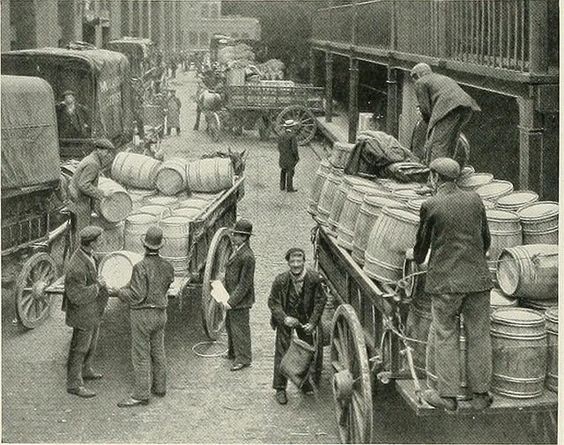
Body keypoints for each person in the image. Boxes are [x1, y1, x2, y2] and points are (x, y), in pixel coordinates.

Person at [409, 157, 493, 412]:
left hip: (446, 284)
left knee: (446, 334)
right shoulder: (475, 199)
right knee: (479, 334)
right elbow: (486, 240)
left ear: (434, 177)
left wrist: (417, 256)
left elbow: (421, 249)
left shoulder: (431, 204)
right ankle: (480, 396)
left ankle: (447, 396)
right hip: (478, 281)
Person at [112, 226, 175, 408]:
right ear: (160, 246)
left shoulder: (140, 267)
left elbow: (137, 295)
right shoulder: (168, 266)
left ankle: (141, 395)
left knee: (140, 354)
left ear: (145, 245)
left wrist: (119, 292)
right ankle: (160, 387)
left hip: (142, 315)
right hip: (161, 313)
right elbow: (167, 284)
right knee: (158, 350)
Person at [267, 248, 327, 405]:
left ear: (303, 262)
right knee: (282, 351)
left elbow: (321, 300)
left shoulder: (313, 279)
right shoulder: (280, 280)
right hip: (286, 319)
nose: (295, 265)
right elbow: (273, 302)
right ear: (288, 263)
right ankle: (280, 388)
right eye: (292, 262)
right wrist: (284, 318)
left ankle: (303, 382)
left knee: (306, 352)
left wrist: (313, 322)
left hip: (305, 320)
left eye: (299, 261)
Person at [63, 226, 109, 398]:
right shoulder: (76, 266)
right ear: (92, 243)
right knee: (79, 348)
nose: (102, 242)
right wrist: (98, 286)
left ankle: (86, 369)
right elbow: (76, 295)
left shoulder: (89, 255)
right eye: (99, 240)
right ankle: (74, 384)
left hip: (92, 309)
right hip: (82, 312)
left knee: (92, 342)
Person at [411, 63, 480, 167]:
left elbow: (425, 109)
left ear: (417, 75)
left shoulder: (420, 82)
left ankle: (435, 178)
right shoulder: (441, 77)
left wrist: (426, 121)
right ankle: (448, 175)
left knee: (438, 144)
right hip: (467, 107)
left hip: (448, 109)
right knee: (452, 142)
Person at [222, 219, 256, 371]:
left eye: (236, 235)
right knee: (231, 326)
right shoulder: (239, 250)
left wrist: (232, 301)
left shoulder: (247, 256)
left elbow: (244, 284)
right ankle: (233, 352)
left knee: (240, 328)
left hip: (240, 301)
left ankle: (243, 358)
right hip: (232, 297)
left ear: (244, 237)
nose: (234, 237)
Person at [67, 138, 115, 248]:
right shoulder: (93, 164)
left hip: (75, 200)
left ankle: (76, 253)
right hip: (80, 203)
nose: (107, 155)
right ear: (99, 150)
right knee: (83, 234)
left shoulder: (90, 159)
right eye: (106, 151)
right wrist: (102, 194)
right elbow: (83, 185)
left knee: (77, 233)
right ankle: (79, 259)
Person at [277, 119, 299, 192]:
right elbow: (294, 149)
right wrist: (296, 157)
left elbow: (278, 147)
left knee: (283, 171)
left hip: (282, 156)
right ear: (292, 127)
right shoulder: (292, 136)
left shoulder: (281, 135)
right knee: (290, 172)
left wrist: (282, 153)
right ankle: (289, 188)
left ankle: (282, 186)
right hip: (290, 158)